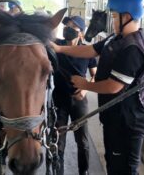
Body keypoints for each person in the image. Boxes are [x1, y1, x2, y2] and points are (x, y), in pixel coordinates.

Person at [51, 0, 144, 175]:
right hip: (114, 116)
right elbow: (90, 50)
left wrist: (85, 85)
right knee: (112, 164)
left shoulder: (133, 48)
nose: (112, 21)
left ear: (127, 17)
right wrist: (59, 48)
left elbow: (114, 86)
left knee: (125, 169)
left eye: (114, 17)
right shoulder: (116, 38)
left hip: (128, 121)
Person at [53, 15, 97, 175]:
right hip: (59, 100)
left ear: (81, 33)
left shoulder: (87, 50)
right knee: (58, 141)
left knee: (83, 141)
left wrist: (85, 89)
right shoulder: (56, 45)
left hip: (79, 101)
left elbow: (95, 75)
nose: (68, 29)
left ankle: (83, 171)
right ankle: (59, 171)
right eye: (67, 26)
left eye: (73, 27)